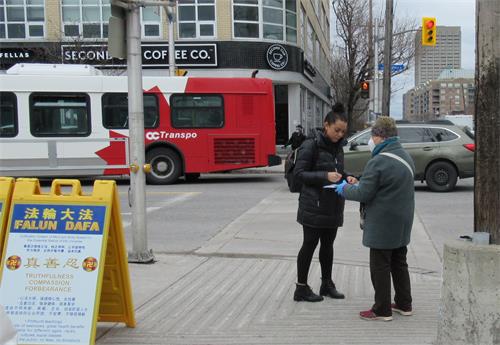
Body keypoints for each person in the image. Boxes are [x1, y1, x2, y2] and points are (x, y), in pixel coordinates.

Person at [335, 116, 415, 321]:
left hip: (383, 222)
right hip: (403, 220)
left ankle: (382, 309)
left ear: (380, 137)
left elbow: (363, 194)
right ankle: (405, 304)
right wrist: (360, 181)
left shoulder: (379, 160)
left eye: (372, 135)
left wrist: (344, 188)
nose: (371, 140)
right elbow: (385, 183)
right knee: (399, 262)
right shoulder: (405, 155)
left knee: (380, 265)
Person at [292, 103, 358, 302]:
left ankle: (326, 284)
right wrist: (325, 176)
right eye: (337, 130)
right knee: (310, 244)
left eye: (343, 131)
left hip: (333, 205)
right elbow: (299, 174)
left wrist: (348, 178)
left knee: (328, 245)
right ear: (326, 125)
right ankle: (301, 288)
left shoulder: (338, 148)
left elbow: (337, 172)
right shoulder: (310, 144)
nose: (340, 134)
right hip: (314, 205)